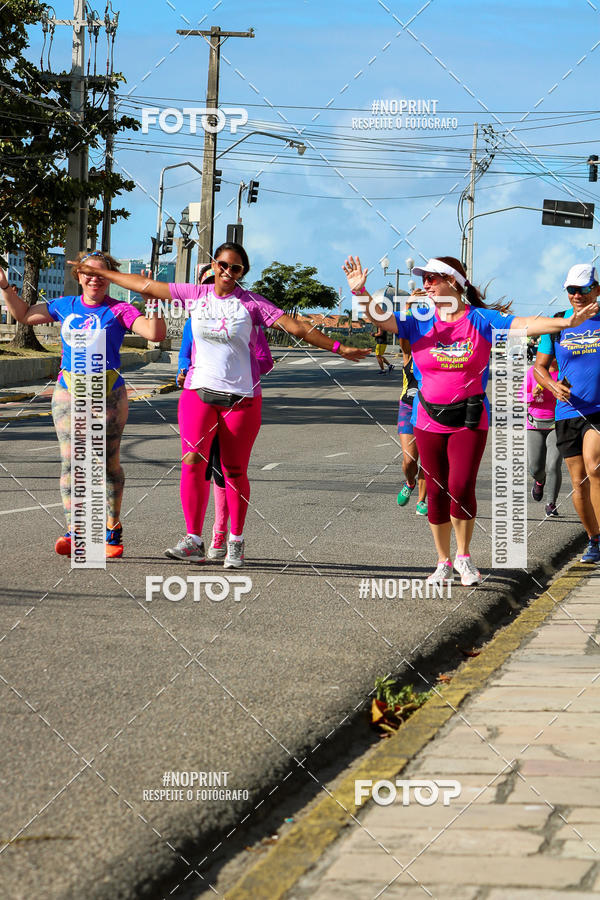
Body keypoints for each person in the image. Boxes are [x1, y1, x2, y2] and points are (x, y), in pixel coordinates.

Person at [72, 242, 369, 567]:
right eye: (223, 265)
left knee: (233, 471)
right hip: (197, 393)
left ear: (242, 272)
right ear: (214, 265)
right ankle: (193, 539)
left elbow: (295, 327)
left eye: (236, 268)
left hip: (241, 399)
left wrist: (339, 348)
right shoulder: (195, 293)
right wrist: (103, 272)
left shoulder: (252, 303)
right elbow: (146, 286)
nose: (228, 271)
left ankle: (236, 540)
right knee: (191, 462)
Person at [343, 254, 598, 585]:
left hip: (469, 415)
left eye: (433, 278)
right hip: (428, 416)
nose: (426, 284)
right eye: (424, 279)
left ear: (454, 283)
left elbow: (525, 324)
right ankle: (443, 561)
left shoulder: (481, 319)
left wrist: (567, 323)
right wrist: (360, 292)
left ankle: (464, 557)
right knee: (435, 490)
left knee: (460, 486)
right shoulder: (419, 318)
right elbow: (381, 319)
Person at [0, 250, 166, 557]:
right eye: (88, 272)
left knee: (107, 463)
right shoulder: (64, 306)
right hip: (68, 391)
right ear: (79, 276)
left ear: (110, 278)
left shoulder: (120, 310)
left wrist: (152, 296)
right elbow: (23, 314)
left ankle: (112, 528)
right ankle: (76, 531)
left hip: (109, 394)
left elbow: (155, 333)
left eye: (102, 274)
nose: (94, 278)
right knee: (71, 463)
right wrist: (5, 288)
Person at [176, 312, 275, 559]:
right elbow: (185, 353)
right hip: (201, 397)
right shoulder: (195, 320)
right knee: (196, 463)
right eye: (206, 283)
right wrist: (184, 369)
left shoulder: (247, 322)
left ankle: (221, 533)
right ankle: (194, 539)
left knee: (226, 470)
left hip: (236, 400)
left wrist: (234, 365)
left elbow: (265, 360)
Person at [534, 263, 600, 563]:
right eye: (571, 290)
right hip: (567, 411)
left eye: (583, 289)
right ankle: (594, 539)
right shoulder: (558, 323)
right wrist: (550, 386)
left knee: (595, 467)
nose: (576, 295)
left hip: (598, 410)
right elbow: (539, 367)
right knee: (579, 482)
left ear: (596, 289)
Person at [520, 359, 562, 517]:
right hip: (535, 425)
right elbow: (520, 396)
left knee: (553, 465)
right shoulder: (534, 371)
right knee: (535, 468)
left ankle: (551, 503)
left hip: (557, 425)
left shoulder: (564, 372)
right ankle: (539, 481)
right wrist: (532, 394)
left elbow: (571, 396)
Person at [396, 332, 427, 515]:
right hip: (407, 407)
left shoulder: (436, 355)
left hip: (430, 410)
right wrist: (408, 310)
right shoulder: (410, 353)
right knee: (409, 461)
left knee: (427, 460)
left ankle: (421, 501)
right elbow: (403, 335)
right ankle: (410, 482)